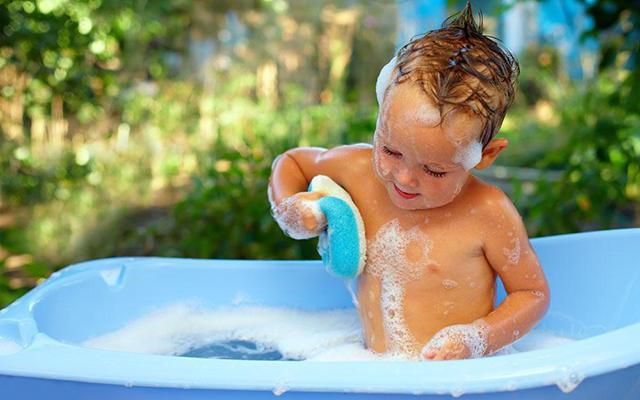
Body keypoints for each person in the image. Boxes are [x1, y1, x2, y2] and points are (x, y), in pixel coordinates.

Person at [267, 2, 550, 360]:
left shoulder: (487, 213)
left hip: (452, 381)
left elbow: (532, 294)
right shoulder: (358, 170)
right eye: (390, 150)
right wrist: (290, 206)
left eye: (434, 171)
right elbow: (291, 162)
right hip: (370, 368)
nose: (402, 177)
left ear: (486, 155)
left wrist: (478, 339)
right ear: (381, 115)